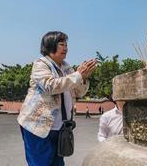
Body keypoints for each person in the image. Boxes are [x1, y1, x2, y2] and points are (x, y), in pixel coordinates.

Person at [17, 31, 97, 166]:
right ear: (50, 45)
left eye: (66, 45)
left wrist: (83, 77)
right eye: (61, 44)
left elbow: (80, 92)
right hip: (38, 126)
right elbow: (50, 86)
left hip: (60, 128)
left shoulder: (67, 68)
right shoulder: (41, 64)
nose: (66, 48)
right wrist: (78, 75)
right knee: (40, 163)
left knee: (58, 163)